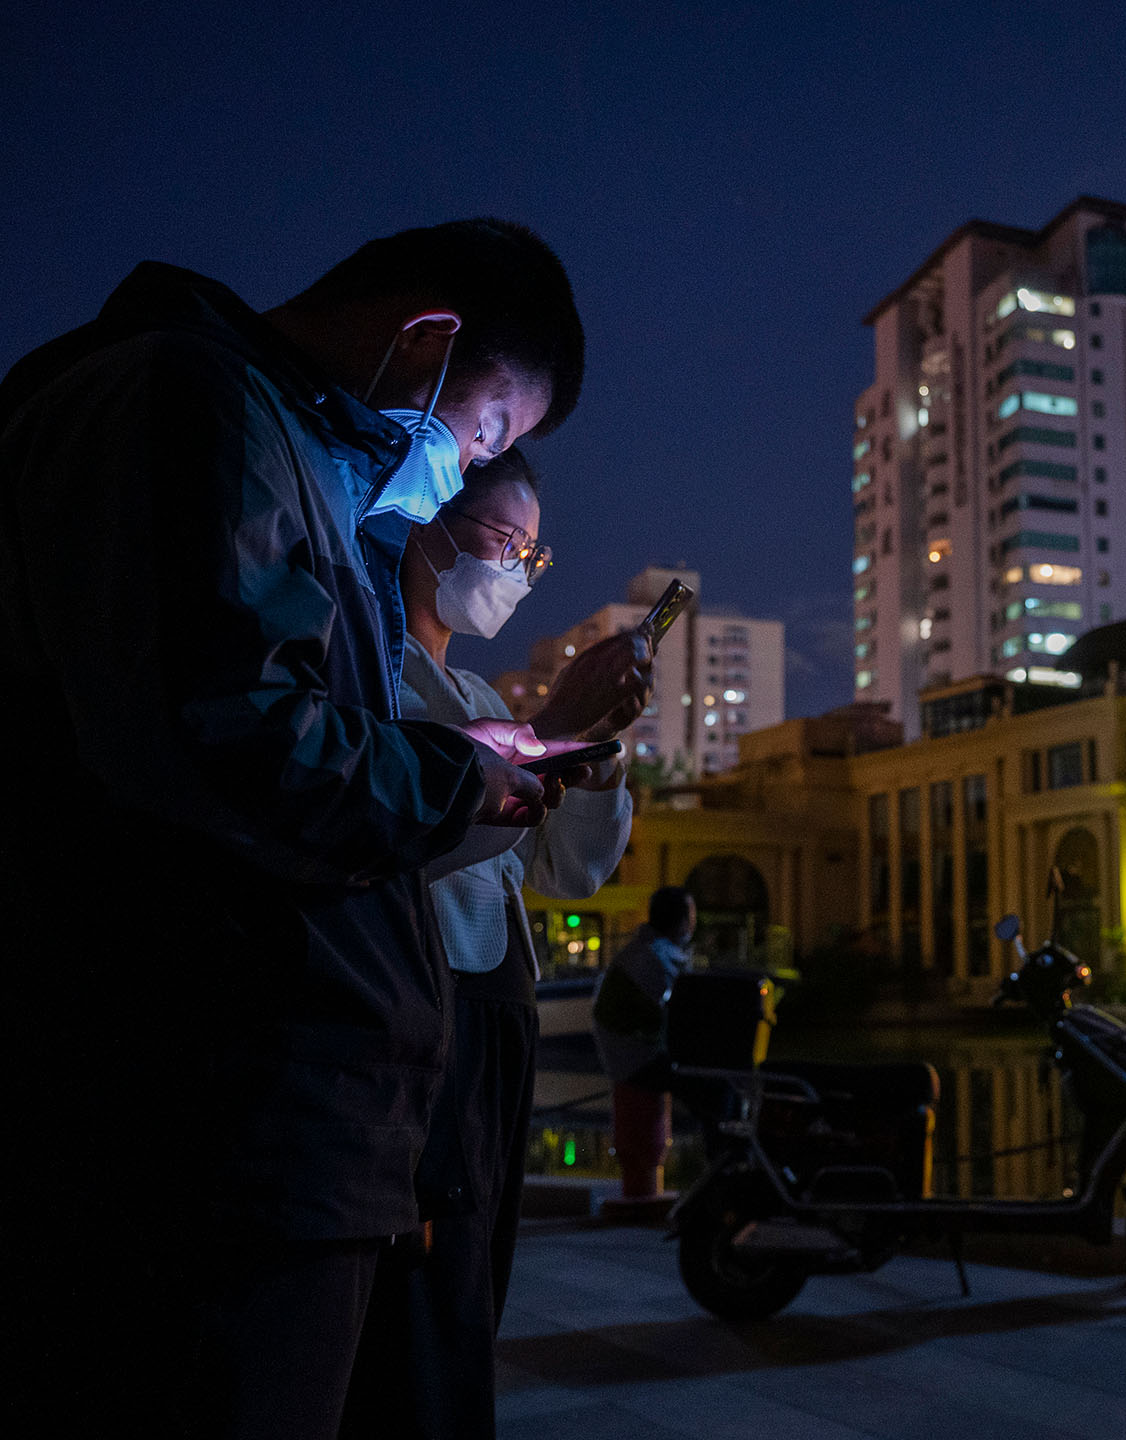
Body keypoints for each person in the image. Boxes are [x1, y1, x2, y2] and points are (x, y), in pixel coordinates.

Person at [0, 219, 617, 1439]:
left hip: (267, 1122)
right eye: (486, 430)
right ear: (425, 340)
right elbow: (230, 734)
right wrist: (459, 780)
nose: (466, 464)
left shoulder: (272, 446)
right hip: (216, 1124)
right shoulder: (189, 402)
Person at [341, 447, 646, 1438]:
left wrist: (590, 758)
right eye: (501, 542)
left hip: (499, 1003)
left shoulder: (474, 699)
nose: (516, 568)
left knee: (476, 1272)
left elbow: (566, 868)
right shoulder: (367, 671)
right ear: (426, 524)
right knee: (429, 1284)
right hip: (439, 1006)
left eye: (531, 552)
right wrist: (550, 726)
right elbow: (403, 833)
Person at [593, 886, 699, 1203]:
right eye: (692, 916)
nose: (694, 923)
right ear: (681, 922)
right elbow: (681, 1015)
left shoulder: (645, 951)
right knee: (711, 1087)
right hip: (637, 1061)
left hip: (628, 1057)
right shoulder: (654, 959)